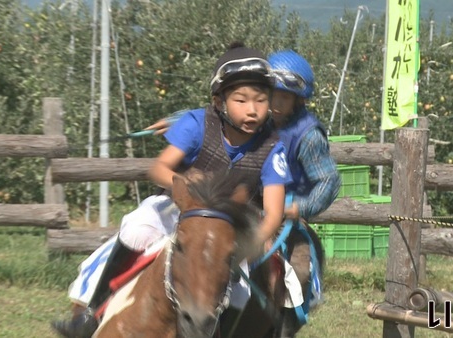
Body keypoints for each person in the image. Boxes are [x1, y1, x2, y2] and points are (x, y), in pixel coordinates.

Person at [51, 42, 292, 338]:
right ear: (219, 102)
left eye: (261, 99)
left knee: (239, 292)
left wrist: (249, 245)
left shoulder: (273, 148)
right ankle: (91, 313)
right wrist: (186, 182)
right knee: (135, 229)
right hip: (176, 207)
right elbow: (160, 169)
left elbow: (274, 212)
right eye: (241, 100)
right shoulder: (196, 124)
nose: (253, 110)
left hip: (230, 224)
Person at [145, 50, 341, 332]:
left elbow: (328, 180)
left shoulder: (307, 135)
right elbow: (220, 111)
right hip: (244, 203)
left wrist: (298, 207)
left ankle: (281, 326)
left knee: (296, 268)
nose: (272, 104)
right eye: (270, 95)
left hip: (282, 207)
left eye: (282, 98)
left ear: (299, 100)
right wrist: (179, 120)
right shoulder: (257, 119)